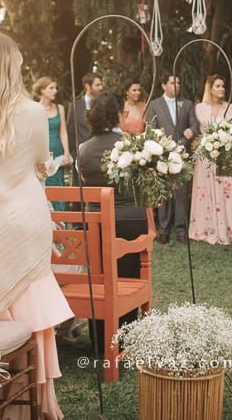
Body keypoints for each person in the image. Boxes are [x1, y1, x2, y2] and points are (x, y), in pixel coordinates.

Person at [0, 33, 72, 419]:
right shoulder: (34, 113)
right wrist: (43, 167)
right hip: (26, 219)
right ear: (12, 65)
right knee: (30, 313)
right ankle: (29, 402)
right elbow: (40, 161)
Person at [76, 92, 149, 330]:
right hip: (130, 223)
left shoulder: (83, 149)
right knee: (128, 280)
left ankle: (99, 337)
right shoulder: (132, 145)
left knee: (99, 281)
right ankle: (125, 334)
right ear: (117, 115)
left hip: (95, 226)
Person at [144, 73, 200, 244]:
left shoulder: (187, 104)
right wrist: (164, 146)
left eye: (178, 82)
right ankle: (164, 230)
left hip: (182, 153)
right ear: (163, 85)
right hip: (162, 154)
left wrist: (186, 137)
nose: (176, 85)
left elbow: (194, 126)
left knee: (182, 192)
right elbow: (150, 129)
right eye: (172, 82)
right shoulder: (154, 105)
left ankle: (181, 229)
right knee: (164, 191)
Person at [188, 75, 232, 245]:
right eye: (217, 86)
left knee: (226, 191)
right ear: (210, 89)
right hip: (207, 156)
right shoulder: (200, 108)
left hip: (225, 154)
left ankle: (226, 229)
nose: (222, 89)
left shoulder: (230, 108)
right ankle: (206, 228)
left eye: (223, 86)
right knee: (205, 191)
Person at [34, 76, 73, 211]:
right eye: (51, 88)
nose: (55, 91)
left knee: (59, 184)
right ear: (42, 90)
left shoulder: (59, 108)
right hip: (43, 151)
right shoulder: (35, 109)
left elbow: (63, 132)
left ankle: (63, 217)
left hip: (58, 150)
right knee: (45, 184)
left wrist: (66, 153)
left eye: (55, 88)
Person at [66, 72, 103, 154]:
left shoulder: (104, 104)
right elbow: (70, 131)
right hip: (81, 152)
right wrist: (73, 154)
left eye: (101, 84)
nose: (101, 88)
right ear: (87, 86)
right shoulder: (75, 106)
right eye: (97, 85)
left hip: (100, 151)